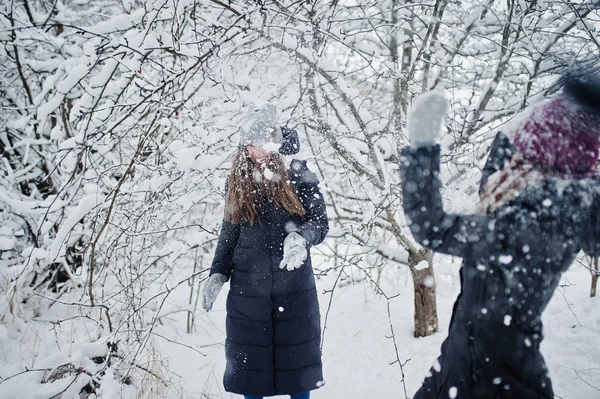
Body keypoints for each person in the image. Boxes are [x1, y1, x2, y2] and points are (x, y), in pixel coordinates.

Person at [400, 73, 600, 399]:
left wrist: (423, 149)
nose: (509, 162)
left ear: (534, 164)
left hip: (490, 379)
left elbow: (431, 226)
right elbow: (493, 184)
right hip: (469, 362)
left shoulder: (531, 227)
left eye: (518, 153)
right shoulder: (552, 209)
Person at [202, 104, 329, 399]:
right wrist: (218, 272)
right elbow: (230, 230)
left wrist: (301, 237)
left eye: (260, 145)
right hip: (248, 295)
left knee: (299, 378)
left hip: (294, 292)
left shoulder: (298, 172)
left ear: (274, 142)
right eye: (249, 145)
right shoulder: (237, 177)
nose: (254, 152)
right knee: (252, 380)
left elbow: (320, 222)